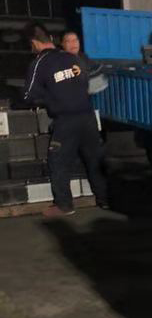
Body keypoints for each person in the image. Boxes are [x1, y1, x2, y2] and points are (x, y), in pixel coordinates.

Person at [23, 22, 108, 217]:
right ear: (52, 39)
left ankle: (64, 205)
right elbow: (92, 83)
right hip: (88, 117)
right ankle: (105, 199)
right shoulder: (73, 59)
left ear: (34, 43)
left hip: (65, 120)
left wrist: (48, 97)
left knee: (58, 162)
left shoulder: (39, 63)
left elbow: (28, 96)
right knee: (94, 160)